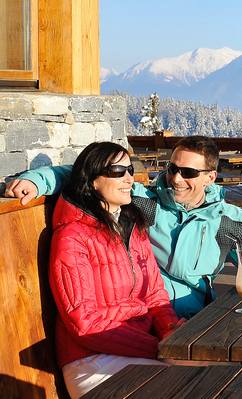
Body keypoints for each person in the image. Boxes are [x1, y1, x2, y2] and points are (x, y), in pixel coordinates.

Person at [7, 135, 242, 319]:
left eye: (188, 172)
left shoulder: (223, 220)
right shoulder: (146, 203)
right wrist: (40, 180)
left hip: (194, 318)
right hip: (146, 317)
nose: (176, 179)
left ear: (209, 178)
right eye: (173, 168)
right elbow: (90, 173)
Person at [48, 142, 180, 398]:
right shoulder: (72, 237)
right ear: (93, 181)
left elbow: (155, 296)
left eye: (129, 169)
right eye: (118, 171)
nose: (129, 178)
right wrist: (159, 348)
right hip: (92, 361)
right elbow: (84, 324)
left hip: (138, 349)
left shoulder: (132, 226)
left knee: (215, 372)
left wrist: (171, 333)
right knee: (195, 385)